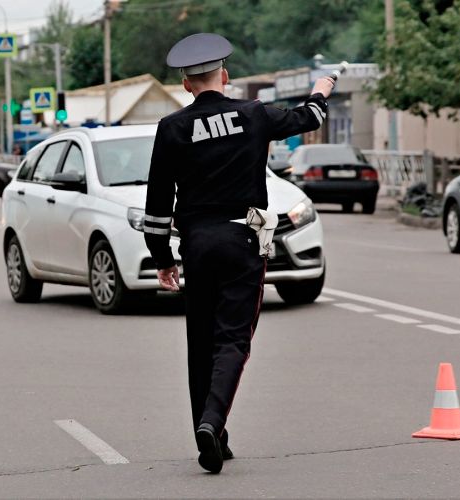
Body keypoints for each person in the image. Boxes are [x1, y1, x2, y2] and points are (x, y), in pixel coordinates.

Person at [143, 33, 335, 474]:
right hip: (241, 240)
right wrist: (322, 90)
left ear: (187, 85)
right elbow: (308, 117)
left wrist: (162, 258)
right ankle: (214, 422)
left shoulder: (171, 128)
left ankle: (209, 435)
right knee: (232, 339)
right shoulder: (253, 114)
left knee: (201, 342)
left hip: (196, 243)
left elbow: (158, 203)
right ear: (225, 77)